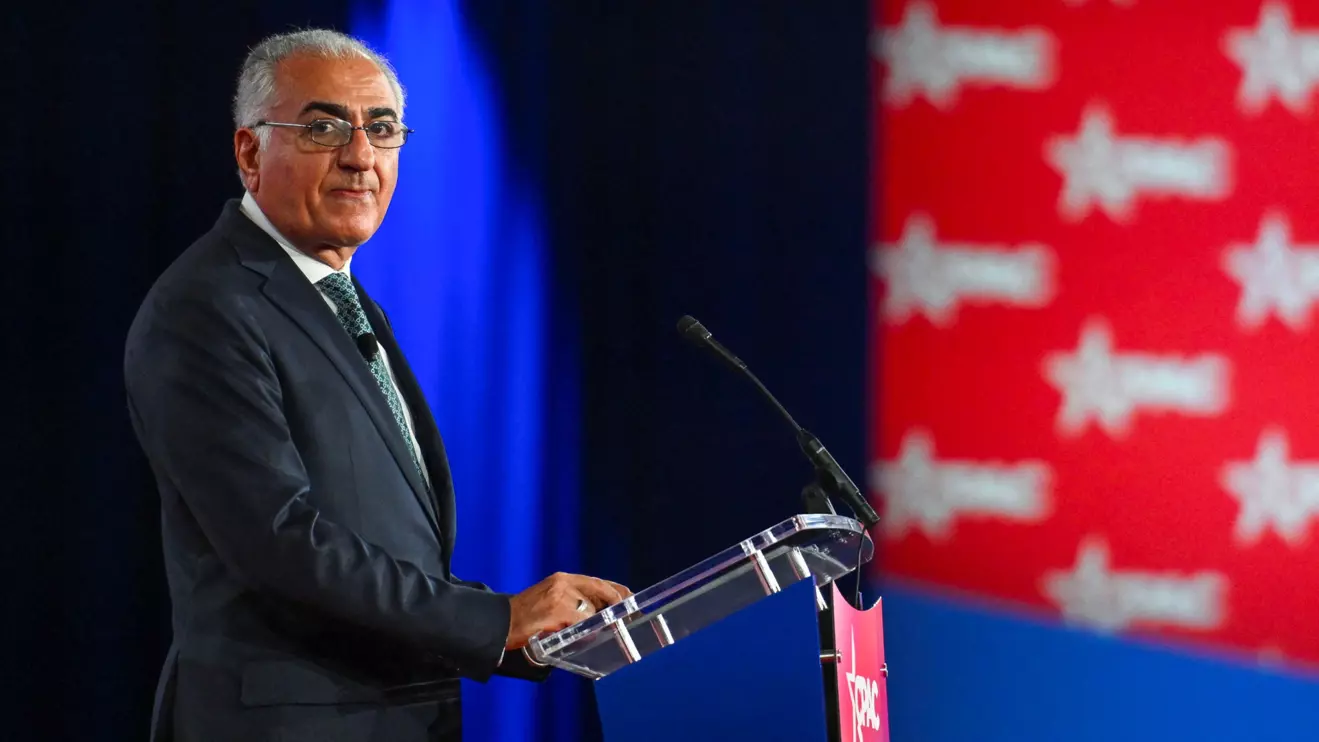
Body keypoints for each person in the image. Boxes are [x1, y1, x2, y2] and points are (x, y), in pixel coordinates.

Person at [124, 29, 629, 742]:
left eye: (382, 129)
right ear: (249, 153)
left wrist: (526, 630)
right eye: (324, 127)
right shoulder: (206, 307)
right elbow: (279, 541)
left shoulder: (340, 301)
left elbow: (379, 548)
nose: (360, 156)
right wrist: (495, 621)